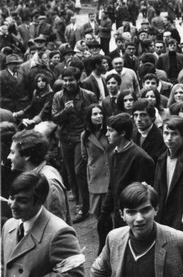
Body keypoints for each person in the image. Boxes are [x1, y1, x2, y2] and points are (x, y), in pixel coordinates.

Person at [91, 182, 183, 276]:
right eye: (131, 212)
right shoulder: (114, 238)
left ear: (156, 210)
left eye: (145, 210)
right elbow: (98, 271)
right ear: (122, 215)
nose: (139, 218)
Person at [2, 172, 84, 276]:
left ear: (39, 201)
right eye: (11, 198)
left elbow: (74, 274)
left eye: (22, 201)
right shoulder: (9, 225)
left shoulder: (60, 233)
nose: (13, 205)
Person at [52, 66, 97, 224]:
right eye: (65, 80)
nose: (68, 83)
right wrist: (65, 110)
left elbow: (95, 114)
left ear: (78, 80)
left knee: (79, 171)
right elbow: (55, 118)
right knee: (70, 172)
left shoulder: (88, 95)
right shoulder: (58, 96)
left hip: (81, 137)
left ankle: (83, 207)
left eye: (71, 80)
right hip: (65, 137)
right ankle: (79, 201)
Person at [100, 112, 155, 230]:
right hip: (119, 214)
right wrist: (104, 212)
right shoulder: (113, 153)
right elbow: (112, 186)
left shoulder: (140, 158)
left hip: (134, 218)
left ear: (123, 133)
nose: (106, 134)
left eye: (110, 131)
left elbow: (142, 195)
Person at [8, 130, 72, 224]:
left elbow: (56, 227)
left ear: (27, 156)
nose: (9, 157)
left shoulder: (50, 182)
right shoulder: (37, 174)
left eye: (12, 152)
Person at [81, 104, 112, 252]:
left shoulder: (109, 131)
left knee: (109, 211)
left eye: (100, 113)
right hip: (95, 175)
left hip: (109, 173)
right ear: (89, 117)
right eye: (95, 114)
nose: (99, 116)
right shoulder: (85, 135)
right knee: (98, 212)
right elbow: (84, 155)